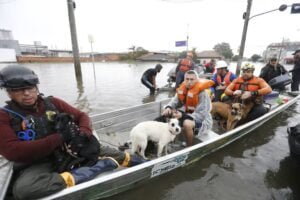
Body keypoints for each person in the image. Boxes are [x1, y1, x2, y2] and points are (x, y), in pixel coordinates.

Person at [0, 65, 145, 199]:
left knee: (116, 154)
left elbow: (83, 116)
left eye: (31, 88)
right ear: (8, 92)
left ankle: (145, 162)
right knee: (24, 190)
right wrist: (60, 137)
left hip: (71, 149)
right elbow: (13, 151)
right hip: (39, 161)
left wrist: (83, 134)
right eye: (19, 90)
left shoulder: (53, 103)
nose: (27, 93)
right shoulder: (4, 115)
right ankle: (100, 166)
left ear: (36, 87)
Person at [162, 70, 214, 146]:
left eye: (192, 79)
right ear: (184, 80)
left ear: (196, 80)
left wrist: (182, 115)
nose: (189, 82)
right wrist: (168, 107)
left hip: (203, 120)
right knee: (167, 112)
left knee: (187, 123)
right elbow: (174, 101)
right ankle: (169, 139)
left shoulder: (202, 94)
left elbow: (201, 115)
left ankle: (189, 146)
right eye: (187, 79)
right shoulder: (183, 89)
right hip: (187, 113)